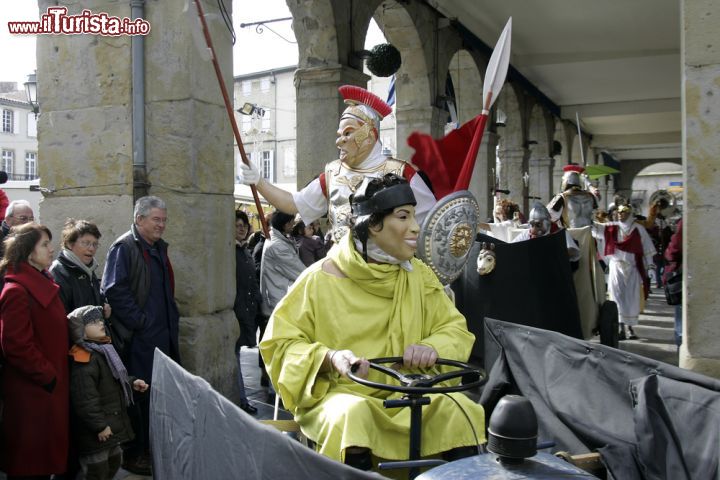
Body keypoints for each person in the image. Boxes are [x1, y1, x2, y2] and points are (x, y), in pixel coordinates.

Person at [260, 174, 485, 470]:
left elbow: (454, 329)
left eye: (414, 216)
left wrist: (432, 347)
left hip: (412, 393)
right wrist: (329, 358)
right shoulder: (317, 280)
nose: (415, 227)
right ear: (372, 225)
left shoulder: (420, 276)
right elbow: (280, 347)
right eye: (403, 217)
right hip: (343, 395)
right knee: (354, 417)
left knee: (462, 411)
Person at [239, 85, 435, 243]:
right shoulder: (332, 174)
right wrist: (259, 181)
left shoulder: (402, 173)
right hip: (340, 274)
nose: (339, 141)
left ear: (370, 135)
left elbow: (433, 226)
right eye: (339, 135)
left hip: (389, 276)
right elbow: (294, 203)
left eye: (348, 133)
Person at [101, 196, 180, 475]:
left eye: (164, 220)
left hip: (162, 336)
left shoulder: (157, 247)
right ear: (139, 219)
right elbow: (113, 289)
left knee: (157, 396)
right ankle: (135, 453)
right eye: (156, 219)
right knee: (139, 397)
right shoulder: (125, 247)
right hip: (139, 340)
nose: (162, 225)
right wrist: (141, 322)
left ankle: (151, 448)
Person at [0, 223, 69, 478]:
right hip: (32, 394)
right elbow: (16, 346)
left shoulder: (43, 282)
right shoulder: (16, 290)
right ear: (28, 252)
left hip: (48, 391)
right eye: (44, 244)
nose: (51, 250)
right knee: (29, 467)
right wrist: (48, 377)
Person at [67, 305, 149, 480]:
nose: (101, 324)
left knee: (114, 463)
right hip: (97, 432)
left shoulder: (105, 350)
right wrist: (100, 426)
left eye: (100, 320)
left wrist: (132, 383)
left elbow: (114, 380)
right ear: (81, 330)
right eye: (94, 322)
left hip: (111, 427)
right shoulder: (83, 359)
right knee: (97, 471)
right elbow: (85, 400)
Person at [592, 204, 656, 340]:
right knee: (616, 297)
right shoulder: (611, 227)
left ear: (630, 213)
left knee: (631, 299)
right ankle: (620, 328)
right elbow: (595, 228)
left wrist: (651, 267)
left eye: (624, 212)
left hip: (632, 269)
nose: (620, 214)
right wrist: (587, 215)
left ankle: (630, 329)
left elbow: (647, 249)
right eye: (619, 212)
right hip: (616, 268)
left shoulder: (638, 229)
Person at [49, 219, 110, 316]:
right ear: (69, 243)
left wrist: (103, 305)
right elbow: (61, 316)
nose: (91, 249)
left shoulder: (88, 268)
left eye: (95, 244)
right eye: (86, 243)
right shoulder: (58, 272)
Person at [234, 210, 261, 414]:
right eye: (237, 224)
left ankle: (242, 399)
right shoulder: (232, 252)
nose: (241, 228)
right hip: (237, 312)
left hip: (246, 311)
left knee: (237, 357)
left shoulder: (244, 251)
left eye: (244, 224)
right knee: (235, 358)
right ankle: (241, 400)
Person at [511, 202, 580, 263]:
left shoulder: (559, 233)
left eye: (538, 224)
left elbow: (572, 251)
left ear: (547, 222)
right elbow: (511, 248)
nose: (534, 228)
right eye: (532, 224)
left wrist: (545, 248)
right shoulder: (527, 234)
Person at [664, 219, 683, 346]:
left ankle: (680, 343)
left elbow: (673, 250)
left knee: (681, 315)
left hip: (686, 274)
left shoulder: (685, 222)